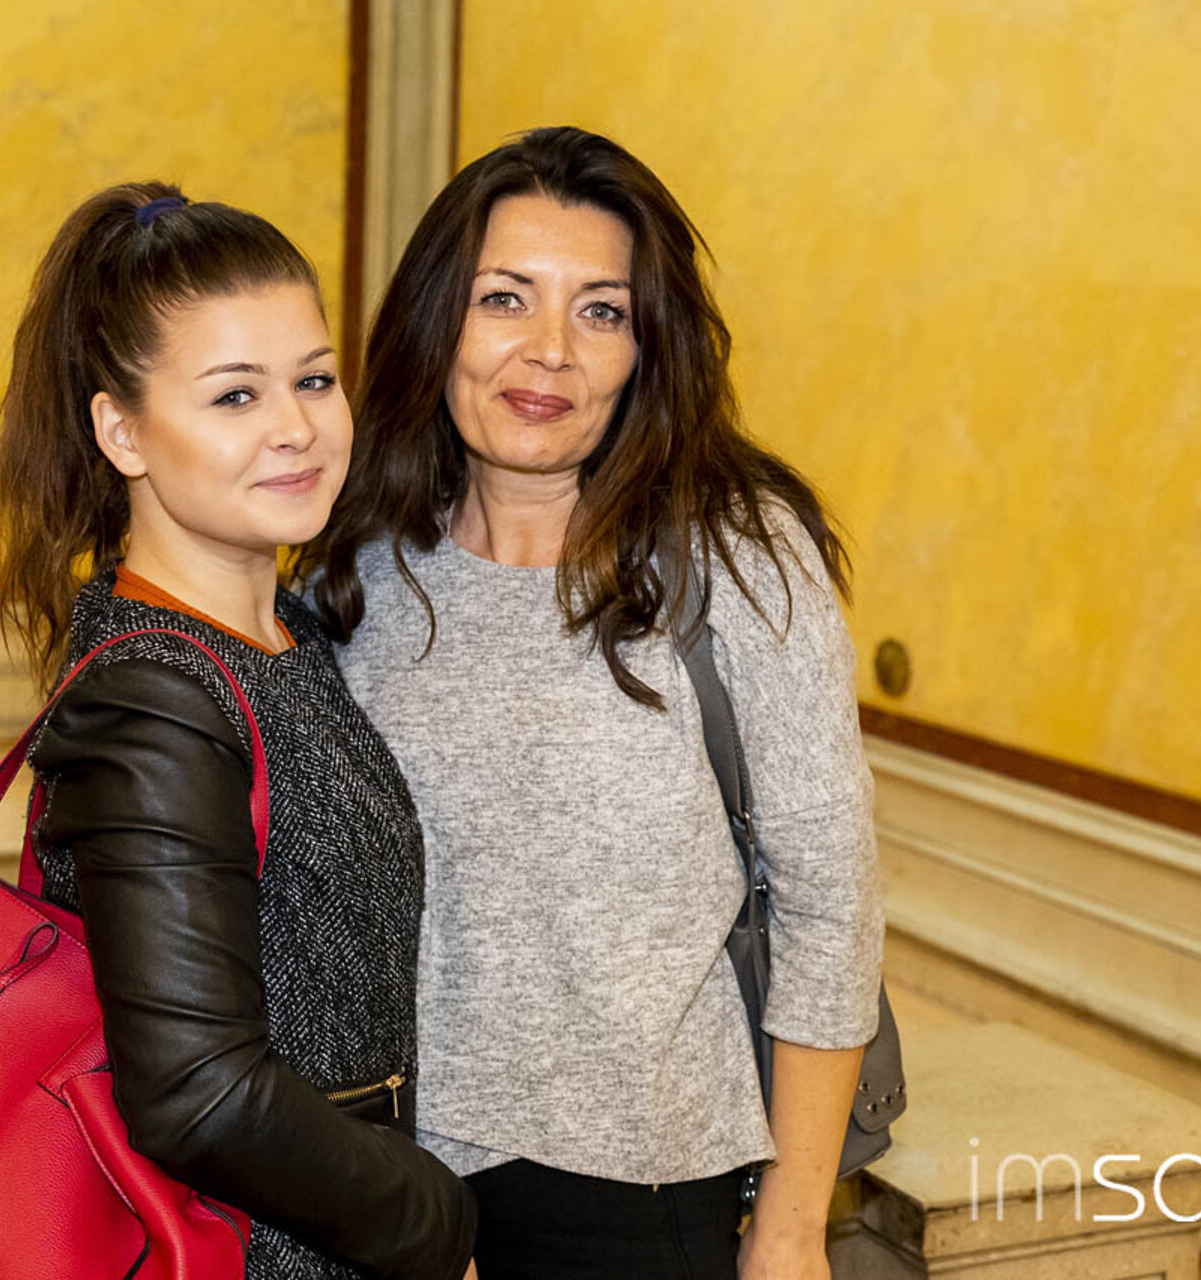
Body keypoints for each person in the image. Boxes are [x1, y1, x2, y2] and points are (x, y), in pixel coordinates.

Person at [298, 128, 885, 1278]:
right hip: (377, 1187)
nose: (550, 350)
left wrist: (793, 1224)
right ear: (437, 319)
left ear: (647, 347)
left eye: (601, 311)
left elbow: (831, 904)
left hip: (641, 1198)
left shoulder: (737, 555)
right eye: (505, 298)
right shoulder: (352, 565)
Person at [0, 181, 476, 1280]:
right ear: (122, 431)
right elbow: (197, 1093)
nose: (295, 426)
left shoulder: (280, 633)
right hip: (255, 1250)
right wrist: (438, 1224)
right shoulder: (152, 698)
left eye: (313, 379)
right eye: (235, 395)